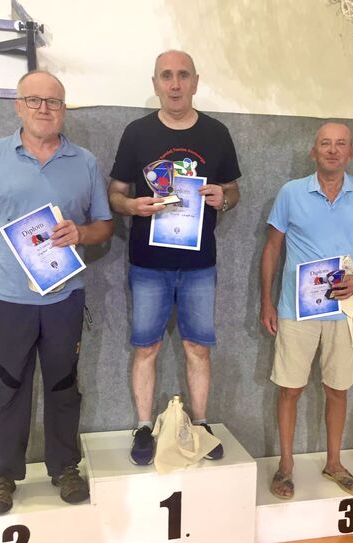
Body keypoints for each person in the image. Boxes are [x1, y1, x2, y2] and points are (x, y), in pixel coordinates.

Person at [0, 70, 114, 515]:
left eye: (54, 101)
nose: (44, 109)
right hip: (9, 298)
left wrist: (81, 233)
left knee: (64, 385)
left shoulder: (84, 162)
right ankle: (3, 476)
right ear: (18, 105)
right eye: (34, 100)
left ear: (64, 109)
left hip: (65, 298)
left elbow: (105, 226)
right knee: (9, 386)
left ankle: (65, 468)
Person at [108, 50, 241, 465]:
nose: (175, 84)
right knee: (145, 347)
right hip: (148, 263)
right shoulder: (137, 133)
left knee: (198, 347)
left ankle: (199, 424)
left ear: (195, 82)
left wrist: (224, 198)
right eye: (166, 76)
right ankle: (143, 426)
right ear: (156, 84)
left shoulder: (217, 133)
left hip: (199, 264)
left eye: (183, 75)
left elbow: (233, 190)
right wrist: (132, 206)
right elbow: (115, 193)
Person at [260, 122, 353, 499]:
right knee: (290, 389)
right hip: (295, 310)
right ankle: (285, 466)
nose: (332, 150)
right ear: (313, 152)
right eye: (325, 144)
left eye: (340, 144)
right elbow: (272, 248)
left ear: (351, 152)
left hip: (342, 310)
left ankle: (334, 463)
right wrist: (267, 301)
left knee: (338, 389)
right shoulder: (291, 192)